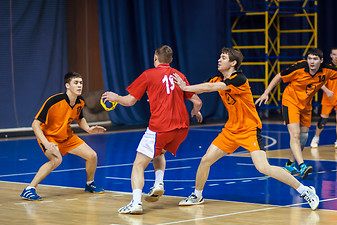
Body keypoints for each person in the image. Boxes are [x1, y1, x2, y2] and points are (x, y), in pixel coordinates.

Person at [174, 47, 319, 210]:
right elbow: (202, 88)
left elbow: (209, 88)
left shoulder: (239, 79)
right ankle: (197, 195)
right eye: (219, 57)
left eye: (223, 57)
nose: (219, 60)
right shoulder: (217, 79)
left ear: (233, 63)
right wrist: (195, 106)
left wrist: (185, 87)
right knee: (205, 160)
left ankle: (305, 190)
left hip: (249, 130)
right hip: (230, 131)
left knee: (263, 168)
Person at [101, 45, 203, 214]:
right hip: (182, 128)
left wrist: (116, 97)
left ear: (156, 57)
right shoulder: (179, 75)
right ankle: (158, 183)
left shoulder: (148, 75)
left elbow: (130, 101)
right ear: (170, 60)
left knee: (138, 165)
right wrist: (196, 111)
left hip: (161, 127)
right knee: (159, 152)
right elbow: (197, 101)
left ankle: (135, 203)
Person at [256, 48, 337, 177]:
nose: (312, 62)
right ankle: (302, 165)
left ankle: (290, 164)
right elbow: (279, 76)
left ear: (321, 61)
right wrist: (266, 93)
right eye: (310, 58)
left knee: (303, 137)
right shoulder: (299, 67)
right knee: (295, 135)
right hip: (291, 102)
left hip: (306, 105)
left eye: (315, 59)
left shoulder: (327, 70)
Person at [20, 72, 106, 201]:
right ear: (67, 85)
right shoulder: (54, 101)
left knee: (92, 155)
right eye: (76, 83)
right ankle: (29, 189)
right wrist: (46, 144)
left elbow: (80, 118)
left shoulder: (80, 101)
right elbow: (35, 124)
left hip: (66, 136)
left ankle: (90, 184)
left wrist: (88, 129)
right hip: (49, 136)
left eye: (81, 83)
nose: (79, 85)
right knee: (56, 160)